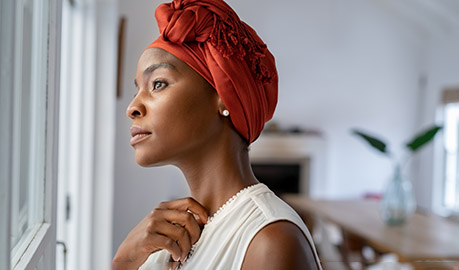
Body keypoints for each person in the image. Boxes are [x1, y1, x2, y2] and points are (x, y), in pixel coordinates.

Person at [112, 0, 321, 269]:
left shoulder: (269, 242)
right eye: (136, 90)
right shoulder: (165, 235)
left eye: (158, 84)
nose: (132, 108)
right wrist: (124, 261)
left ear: (224, 97)